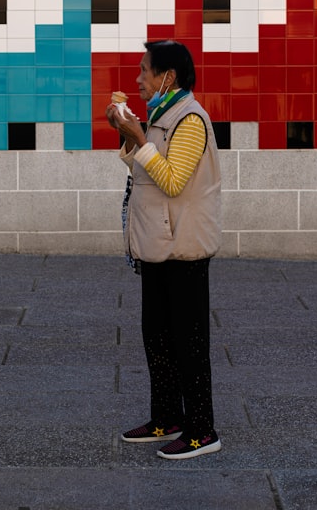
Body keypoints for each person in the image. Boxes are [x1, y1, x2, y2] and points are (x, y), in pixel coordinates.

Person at [105, 39, 223, 460]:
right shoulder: (162, 115)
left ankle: (202, 430)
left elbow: (173, 181)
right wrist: (130, 136)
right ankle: (167, 418)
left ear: (167, 77)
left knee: (188, 342)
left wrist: (139, 135)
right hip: (156, 245)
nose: (138, 79)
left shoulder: (189, 119)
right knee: (156, 336)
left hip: (184, 248)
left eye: (144, 70)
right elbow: (149, 173)